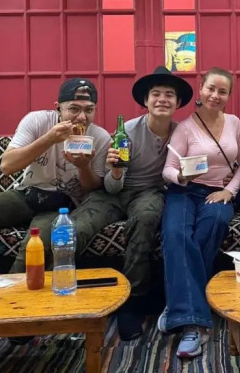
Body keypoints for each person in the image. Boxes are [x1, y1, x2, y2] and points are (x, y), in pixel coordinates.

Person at [0, 78, 110, 354]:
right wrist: (50, 139)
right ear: (58, 108)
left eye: (89, 110)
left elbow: (92, 190)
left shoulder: (100, 137)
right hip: (27, 194)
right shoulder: (37, 121)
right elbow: (7, 165)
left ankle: (13, 319)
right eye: (73, 109)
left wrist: (83, 166)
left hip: (62, 205)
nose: (81, 117)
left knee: (35, 246)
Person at [87, 66, 193, 341]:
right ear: (145, 101)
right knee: (77, 225)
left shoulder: (182, 133)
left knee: (146, 218)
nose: (162, 99)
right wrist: (116, 171)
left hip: (150, 192)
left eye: (169, 95)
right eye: (155, 94)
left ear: (178, 103)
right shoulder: (128, 132)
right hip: (113, 192)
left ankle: (132, 303)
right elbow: (110, 186)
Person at [157, 67, 240, 358]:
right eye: (211, 89)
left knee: (213, 225)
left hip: (218, 192)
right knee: (176, 234)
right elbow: (168, 169)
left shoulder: (235, 123)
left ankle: (178, 304)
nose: (215, 95)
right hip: (184, 191)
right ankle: (193, 325)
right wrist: (181, 177)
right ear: (201, 89)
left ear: (229, 95)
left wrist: (229, 191)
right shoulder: (185, 127)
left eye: (223, 91)